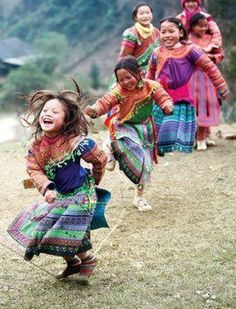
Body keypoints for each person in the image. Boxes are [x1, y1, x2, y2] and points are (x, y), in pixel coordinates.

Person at [7, 80, 110, 279]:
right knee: (49, 228)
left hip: (81, 193)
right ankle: (72, 263)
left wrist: (95, 179)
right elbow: (34, 169)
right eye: (45, 110)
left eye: (55, 112)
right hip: (59, 195)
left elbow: (100, 158)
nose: (48, 114)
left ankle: (88, 259)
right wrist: (46, 188)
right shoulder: (35, 146)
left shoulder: (76, 142)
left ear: (67, 119)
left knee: (68, 225)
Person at [85, 56, 173, 212]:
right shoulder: (119, 91)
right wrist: (94, 111)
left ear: (139, 73)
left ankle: (139, 197)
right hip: (124, 127)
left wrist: (167, 106)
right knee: (130, 146)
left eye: (128, 77)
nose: (125, 82)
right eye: (121, 79)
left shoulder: (151, 86)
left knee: (144, 164)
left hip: (145, 129)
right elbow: (105, 102)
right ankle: (111, 145)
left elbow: (164, 98)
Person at [146, 17, 230, 155]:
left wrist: (222, 88)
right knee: (155, 134)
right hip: (159, 99)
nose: (166, 35)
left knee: (170, 132)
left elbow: (210, 68)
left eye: (171, 31)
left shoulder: (191, 50)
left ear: (180, 32)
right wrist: (145, 94)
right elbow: (150, 75)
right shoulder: (156, 52)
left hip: (181, 101)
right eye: (163, 32)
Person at [188, 13, 225, 150]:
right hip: (191, 78)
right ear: (192, 27)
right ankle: (192, 137)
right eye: (200, 26)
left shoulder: (210, 39)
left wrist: (209, 58)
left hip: (207, 78)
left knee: (205, 105)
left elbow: (220, 54)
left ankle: (202, 138)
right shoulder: (187, 40)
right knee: (192, 107)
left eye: (205, 26)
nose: (203, 29)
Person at [109, 3, 159, 89]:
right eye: (141, 13)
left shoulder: (157, 32)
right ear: (135, 17)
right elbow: (124, 57)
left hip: (153, 72)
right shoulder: (131, 34)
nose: (145, 16)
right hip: (134, 73)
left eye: (148, 13)